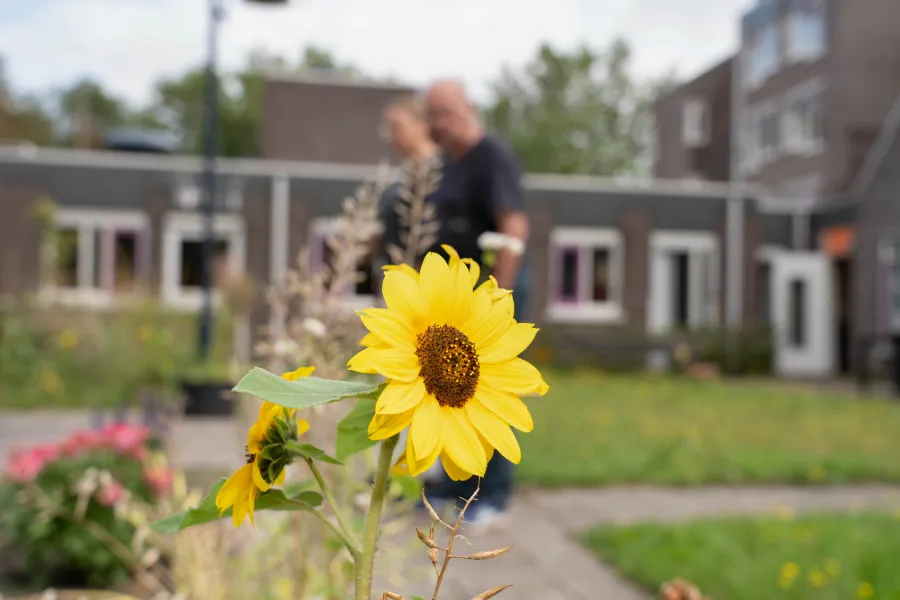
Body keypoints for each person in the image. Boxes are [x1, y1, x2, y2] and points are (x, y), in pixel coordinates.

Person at [421, 79, 532, 531]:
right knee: (448, 397)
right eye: (430, 114)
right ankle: (452, 488)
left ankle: (493, 496)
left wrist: (499, 300)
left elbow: (513, 228)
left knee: (489, 397)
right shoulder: (448, 163)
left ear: (466, 109)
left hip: (490, 297)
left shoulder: (492, 156)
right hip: (458, 300)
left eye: (442, 113)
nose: (435, 124)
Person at [372, 93, 441, 289]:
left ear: (422, 124)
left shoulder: (443, 172)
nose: (390, 136)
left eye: (397, 127)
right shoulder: (401, 174)